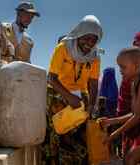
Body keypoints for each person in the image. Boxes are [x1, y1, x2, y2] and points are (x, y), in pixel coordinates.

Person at [43, 15, 103, 165]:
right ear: (79, 34)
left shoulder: (95, 57)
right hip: (57, 93)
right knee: (57, 134)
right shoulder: (63, 48)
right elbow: (52, 77)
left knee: (78, 137)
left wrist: (92, 104)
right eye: (86, 38)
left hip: (80, 97)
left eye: (93, 40)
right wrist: (69, 97)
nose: (89, 43)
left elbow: (93, 83)